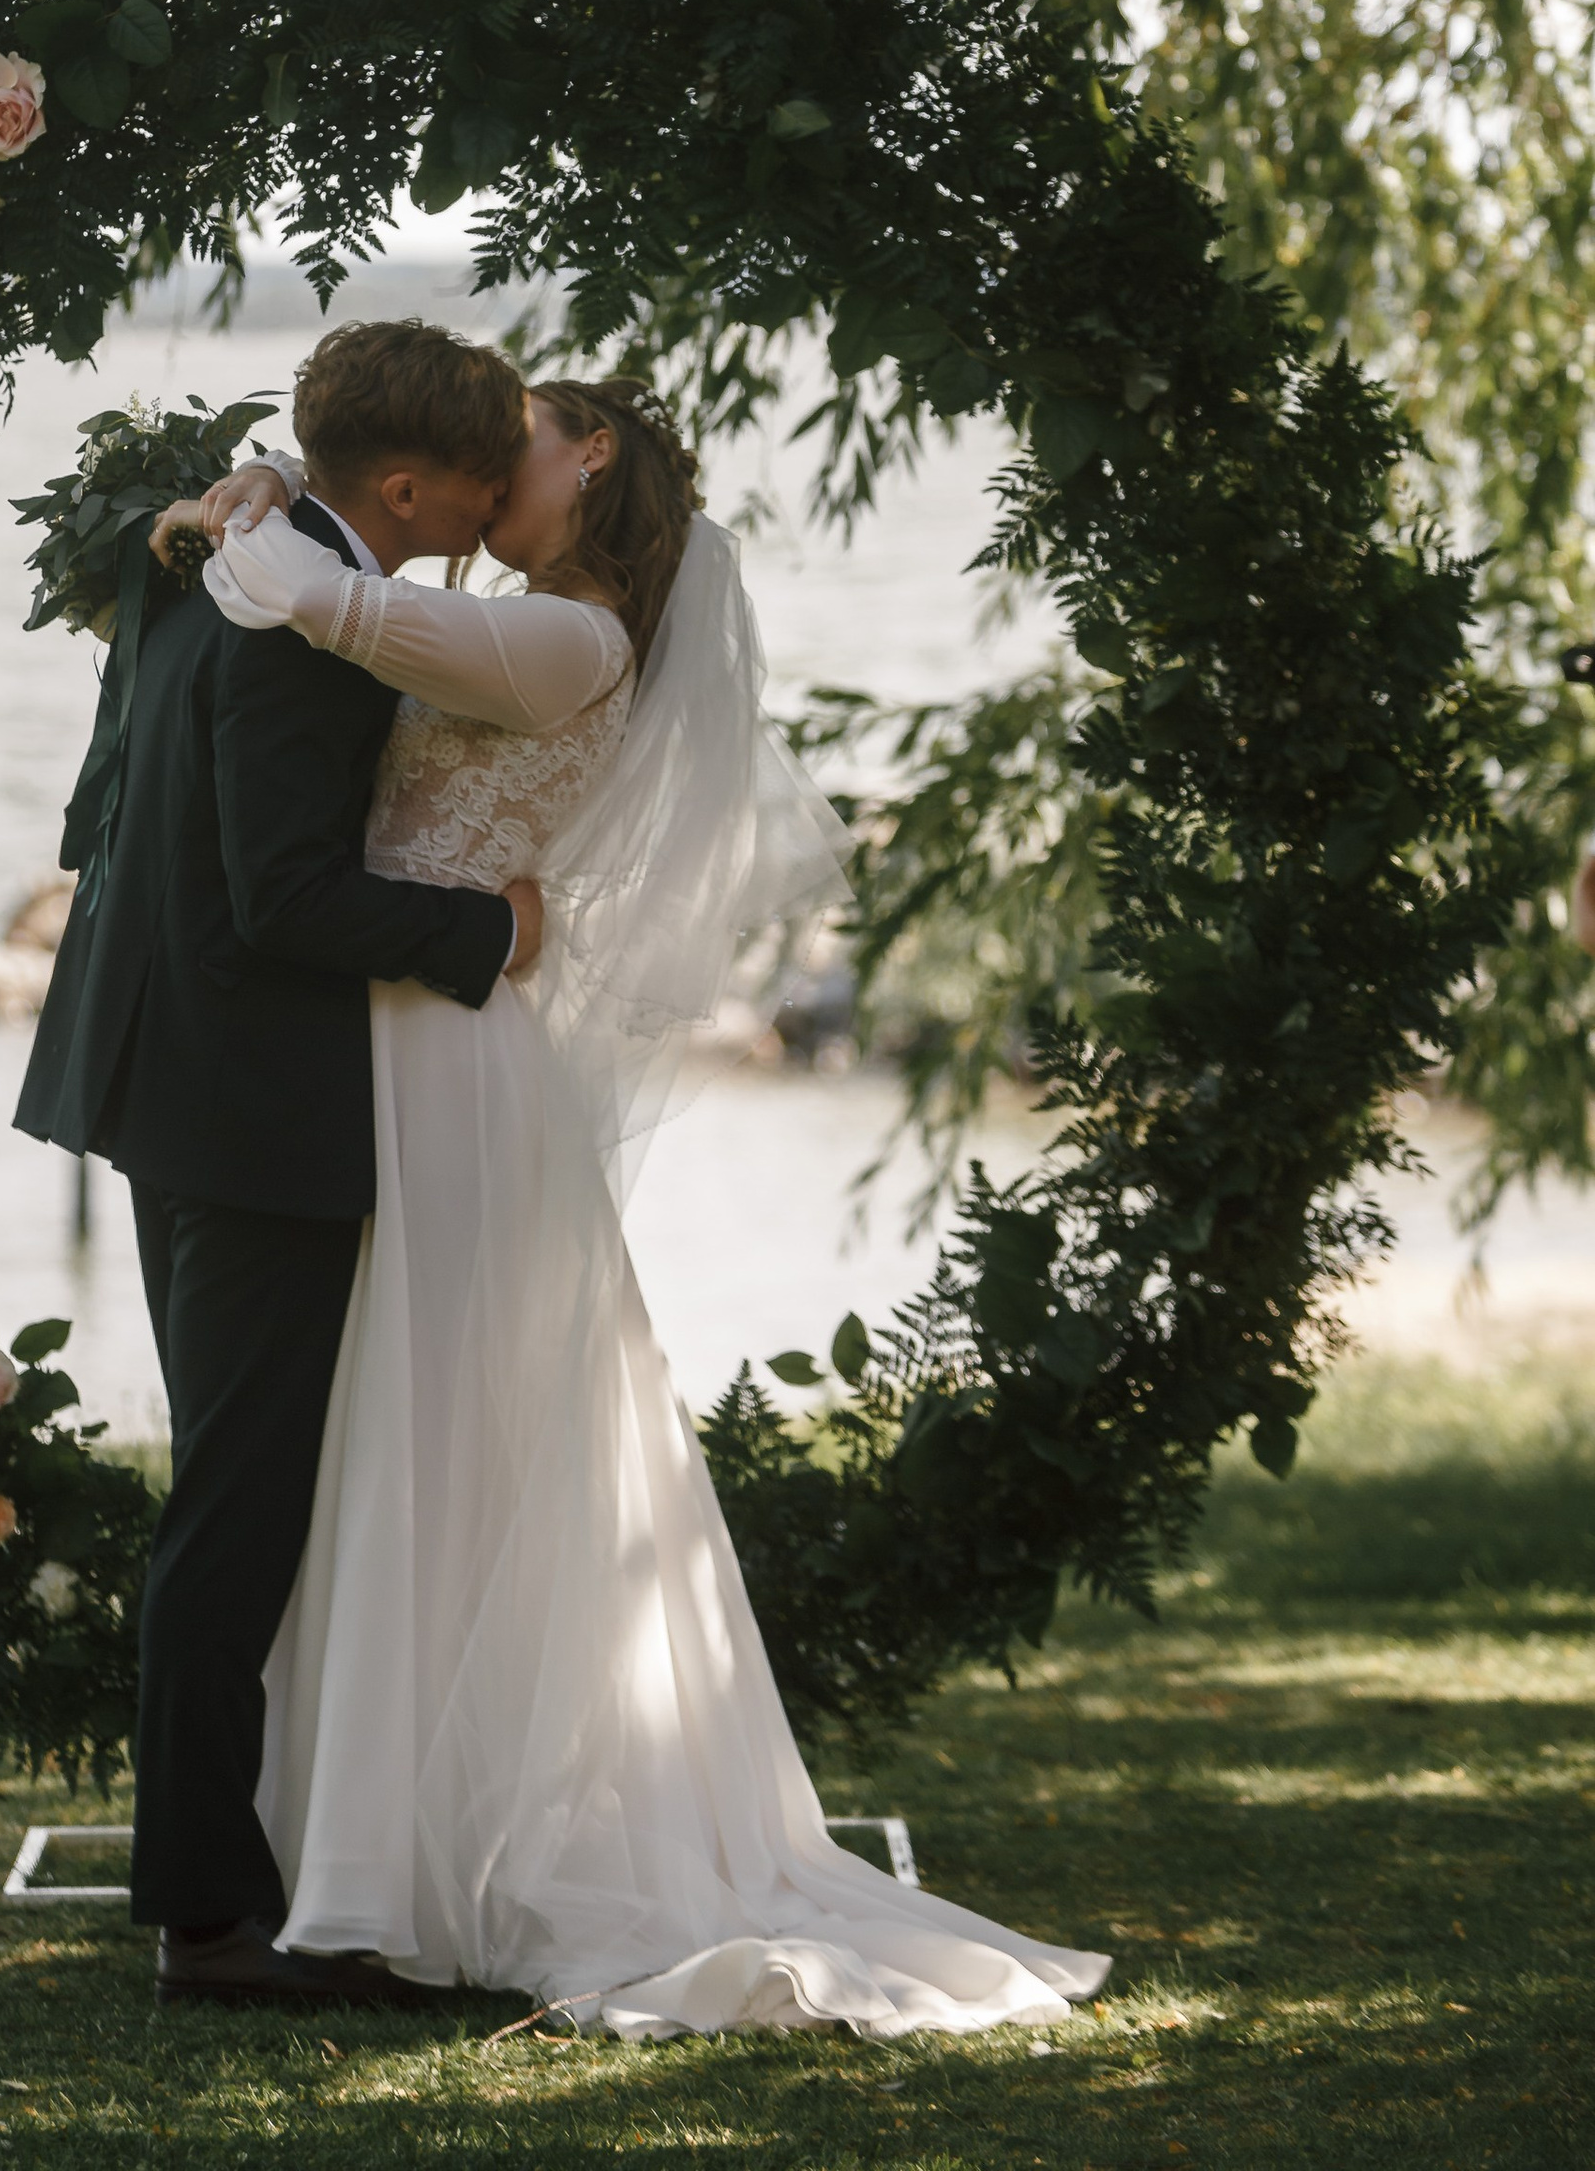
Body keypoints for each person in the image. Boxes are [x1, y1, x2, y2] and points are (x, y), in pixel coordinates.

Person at [180, 376, 1111, 2040]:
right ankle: (354, 1844)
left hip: (442, 1050)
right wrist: (258, 481)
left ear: (591, 454)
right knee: (389, 1431)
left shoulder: (571, 641)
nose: (486, 475)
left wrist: (248, 512)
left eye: (517, 444)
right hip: (396, 1031)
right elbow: (337, 580)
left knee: (428, 1432)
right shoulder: (516, 621)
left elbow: (328, 604)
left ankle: (395, 1864)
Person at [13, 320, 543, 2010]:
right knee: (235, 1517)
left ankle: (239, 1873)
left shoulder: (230, 554)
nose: (492, 512)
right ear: (408, 487)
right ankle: (208, 1923)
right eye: (478, 485)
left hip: (162, 1080)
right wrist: (489, 934)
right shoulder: (306, 624)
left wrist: (209, 496)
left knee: (230, 1500)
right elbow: (288, 899)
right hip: (243, 1116)